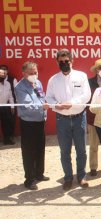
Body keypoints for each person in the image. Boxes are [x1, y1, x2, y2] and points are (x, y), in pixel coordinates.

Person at [46, 49, 91, 191]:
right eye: (61, 62)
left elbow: (86, 95)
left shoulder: (81, 76)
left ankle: (82, 177)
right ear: (57, 62)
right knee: (64, 151)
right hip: (62, 119)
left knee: (81, 150)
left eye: (67, 61)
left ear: (72, 61)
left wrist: (72, 103)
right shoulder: (53, 80)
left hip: (79, 118)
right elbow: (49, 97)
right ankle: (68, 178)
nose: (64, 63)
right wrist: (56, 105)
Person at [14, 61, 50, 190]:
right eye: (31, 73)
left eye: (36, 72)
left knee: (40, 148)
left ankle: (39, 174)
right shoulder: (20, 87)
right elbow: (27, 105)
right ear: (24, 74)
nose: (34, 75)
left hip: (40, 120)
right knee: (29, 151)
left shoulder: (38, 83)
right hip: (28, 123)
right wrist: (42, 106)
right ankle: (29, 179)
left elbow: (41, 97)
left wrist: (44, 106)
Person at [0, 65, 18, 141]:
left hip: (5, 106)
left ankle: (8, 139)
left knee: (7, 123)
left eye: (4, 71)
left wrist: (12, 106)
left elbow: (11, 96)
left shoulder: (9, 83)